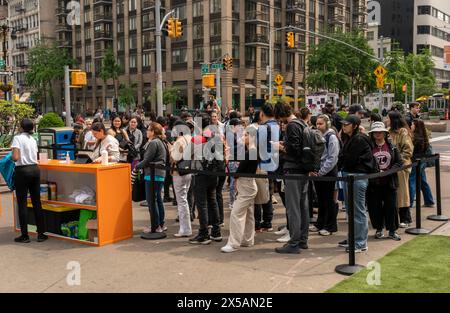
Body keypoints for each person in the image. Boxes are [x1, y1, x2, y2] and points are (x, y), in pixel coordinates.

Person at [273, 102, 310, 254]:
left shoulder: (292, 126)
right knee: (303, 206)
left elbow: (294, 149)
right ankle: (302, 240)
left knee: (293, 208)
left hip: (293, 170)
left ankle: (294, 242)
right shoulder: (302, 123)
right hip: (303, 170)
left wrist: (281, 147)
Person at [338, 115, 375, 253]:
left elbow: (349, 159)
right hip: (350, 175)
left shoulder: (359, 139)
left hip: (357, 176)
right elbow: (344, 158)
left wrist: (342, 163)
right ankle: (354, 238)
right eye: (343, 124)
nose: (344, 126)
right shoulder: (351, 138)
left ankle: (360, 242)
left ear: (354, 125)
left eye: (346, 124)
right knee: (350, 210)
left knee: (358, 210)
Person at [221, 130, 259, 253]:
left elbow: (239, 171)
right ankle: (247, 240)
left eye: (246, 135)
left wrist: (236, 173)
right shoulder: (251, 151)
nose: (243, 137)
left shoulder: (251, 152)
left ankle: (233, 243)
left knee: (236, 213)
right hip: (247, 184)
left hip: (247, 185)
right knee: (248, 213)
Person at [11, 119, 47, 243]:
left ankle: (25, 235)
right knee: (37, 201)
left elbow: (15, 157)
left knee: (22, 203)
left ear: (21, 127)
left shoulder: (17, 138)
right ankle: (41, 234)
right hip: (35, 170)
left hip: (22, 171)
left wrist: (11, 156)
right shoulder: (33, 139)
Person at [189, 113, 222, 245]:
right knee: (212, 201)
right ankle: (216, 231)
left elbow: (187, 153)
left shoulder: (199, 137)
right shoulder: (215, 135)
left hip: (201, 173)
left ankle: (203, 234)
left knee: (201, 204)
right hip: (214, 173)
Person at [367, 122, 403, 241]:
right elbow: (365, 163)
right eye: (375, 132)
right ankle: (378, 229)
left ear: (384, 133)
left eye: (380, 132)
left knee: (391, 207)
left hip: (389, 182)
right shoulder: (368, 148)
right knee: (374, 207)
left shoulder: (392, 147)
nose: (378, 134)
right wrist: (375, 172)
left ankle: (392, 231)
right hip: (374, 184)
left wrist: (389, 172)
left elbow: (399, 162)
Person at [134, 122, 167, 234]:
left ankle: (156, 225)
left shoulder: (154, 142)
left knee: (151, 201)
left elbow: (147, 159)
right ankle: (160, 224)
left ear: (153, 132)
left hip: (153, 175)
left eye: (148, 130)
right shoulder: (160, 141)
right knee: (157, 200)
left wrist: (136, 166)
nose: (146, 131)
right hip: (159, 175)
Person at [309, 115, 340, 236]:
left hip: (328, 172)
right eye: (317, 123)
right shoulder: (319, 135)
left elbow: (332, 158)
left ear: (327, 124)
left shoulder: (331, 137)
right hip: (319, 172)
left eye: (320, 123)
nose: (318, 126)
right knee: (321, 199)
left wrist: (321, 172)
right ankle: (320, 223)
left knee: (329, 200)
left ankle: (330, 226)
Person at [254, 103, 279, 233]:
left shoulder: (263, 127)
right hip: (275, 163)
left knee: (259, 195)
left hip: (263, 163)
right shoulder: (277, 125)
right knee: (268, 193)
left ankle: (259, 222)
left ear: (262, 114)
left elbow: (257, 145)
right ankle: (268, 221)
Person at [388, 111, 414, 228]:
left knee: (402, 193)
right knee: (393, 193)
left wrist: (398, 162)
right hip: (391, 167)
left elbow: (408, 150)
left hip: (401, 167)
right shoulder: (388, 132)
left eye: (388, 118)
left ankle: (405, 218)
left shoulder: (403, 132)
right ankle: (393, 218)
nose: (386, 120)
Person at [171, 120, 193, 237]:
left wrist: (171, 149)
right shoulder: (190, 138)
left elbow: (175, 158)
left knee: (181, 201)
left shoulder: (179, 141)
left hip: (179, 172)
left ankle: (185, 229)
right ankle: (186, 228)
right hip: (189, 170)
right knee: (184, 199)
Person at [409, 119, 435, 209]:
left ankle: (410, 204)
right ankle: (429, 201)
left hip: (415, 162)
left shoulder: (414, 138)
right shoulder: (424, 136)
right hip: (422, 161)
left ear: (416, 126)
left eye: (412, 124)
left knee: (411, 181)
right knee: (423, 181)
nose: (411, 126)